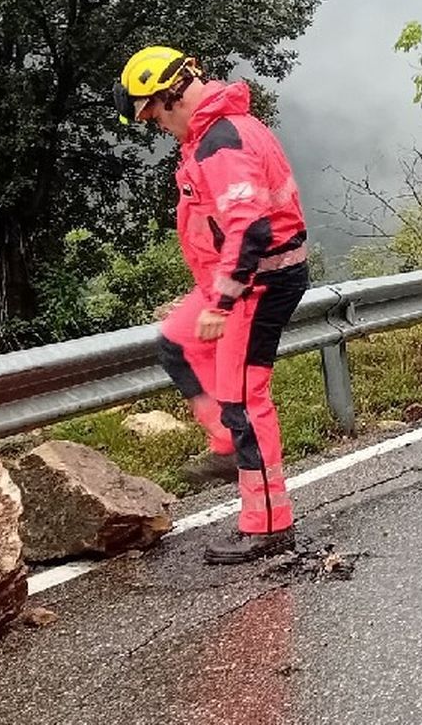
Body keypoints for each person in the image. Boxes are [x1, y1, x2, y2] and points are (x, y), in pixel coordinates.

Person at [115, 47, 310, 564]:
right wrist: (210, 293)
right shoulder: (213, 133)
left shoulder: (220, 142)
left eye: (153, 114)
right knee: (177, 343)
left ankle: (268, 524)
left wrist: (221, 303)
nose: (156, 125)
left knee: (246, 398)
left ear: (169, 95)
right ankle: (228, 444)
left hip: (256, 284)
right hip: (234, 280)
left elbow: (251, 229)